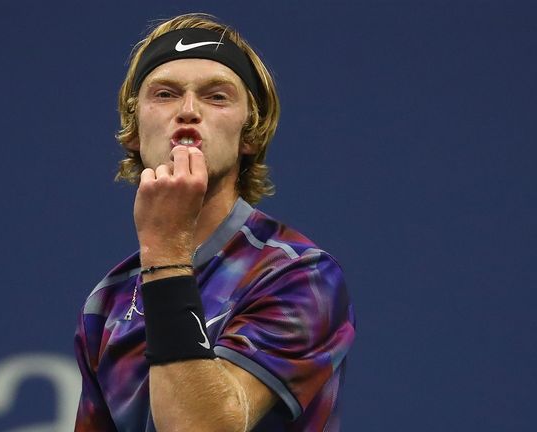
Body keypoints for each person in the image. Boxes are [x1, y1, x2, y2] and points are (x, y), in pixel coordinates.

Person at [74, 13, 356, 432]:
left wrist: (165, 248)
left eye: (217, 97)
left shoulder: (301, 275)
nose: (188, 111)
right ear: (133, 129)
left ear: (250, 134)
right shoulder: (109, 302)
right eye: (165, 94)